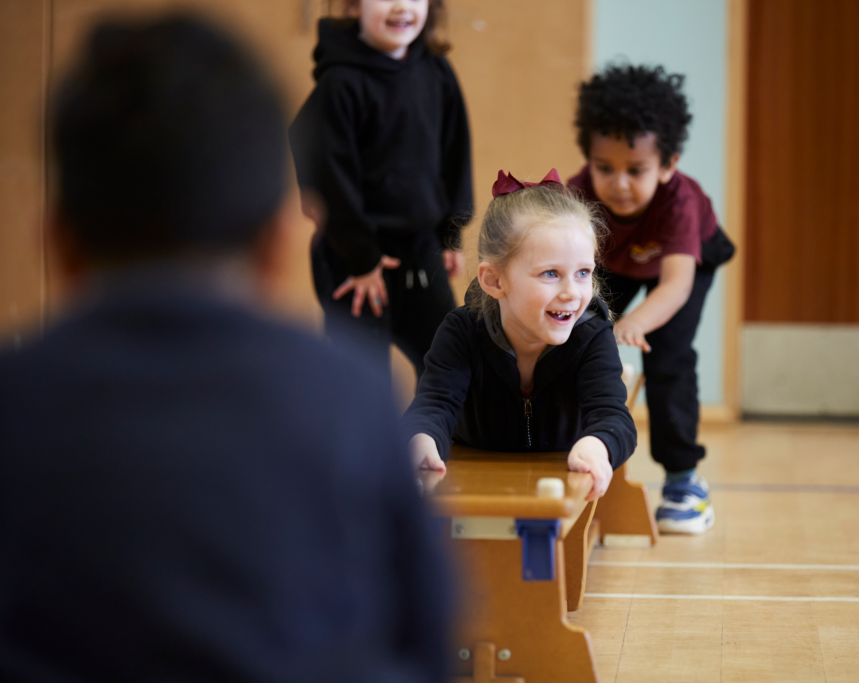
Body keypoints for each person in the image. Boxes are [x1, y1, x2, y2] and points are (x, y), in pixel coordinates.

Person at [0, 15, 449, 682]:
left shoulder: (17, 401)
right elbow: (426, 640)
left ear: (59, 244)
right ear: (274, 246)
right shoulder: (348, 396)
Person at [569, 65, 736, 533]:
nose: (619, 183)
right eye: (605, 168)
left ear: (668, 164)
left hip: (683, 266)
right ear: (589, 160)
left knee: (669, 359)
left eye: (636, 170)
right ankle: (578, 453)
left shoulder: (680, 202)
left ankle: (684, 481)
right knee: (576, 342)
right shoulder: (579, 194)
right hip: (614, 260)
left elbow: (675, 286)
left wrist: (635, 322)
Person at [403, 170, 637, 501]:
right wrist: (421, 440)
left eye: (583, 272)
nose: (572, 292)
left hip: (559, 480)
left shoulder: (592, 335)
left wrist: (596, 446)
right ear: (495, 281)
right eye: (551, 273)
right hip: (477, 476)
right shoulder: (461, 330)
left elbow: (614, 418)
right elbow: (434, 404)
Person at [289, 0, 473, 376]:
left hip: (421, 247)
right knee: (361, 375)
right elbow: (328, 178)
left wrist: (450, 234)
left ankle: (432, 436)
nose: (402, 6)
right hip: (354, 256)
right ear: (354, 5)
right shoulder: (339, 83)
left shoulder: (436, 70)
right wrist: (361, 257)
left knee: (448, 363)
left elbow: (456, 153)